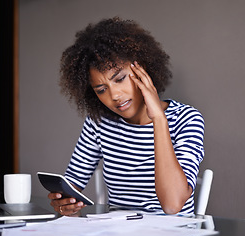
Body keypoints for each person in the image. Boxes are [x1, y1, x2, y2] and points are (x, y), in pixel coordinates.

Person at [48, 17, 205, 215]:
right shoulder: (99, 123)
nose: (114, 95)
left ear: (142, 68)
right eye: (101, 89)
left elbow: (172, 205)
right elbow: (72, 185)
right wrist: (65, 203)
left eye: (120, 79)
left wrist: (158, 119)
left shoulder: (186, 119)